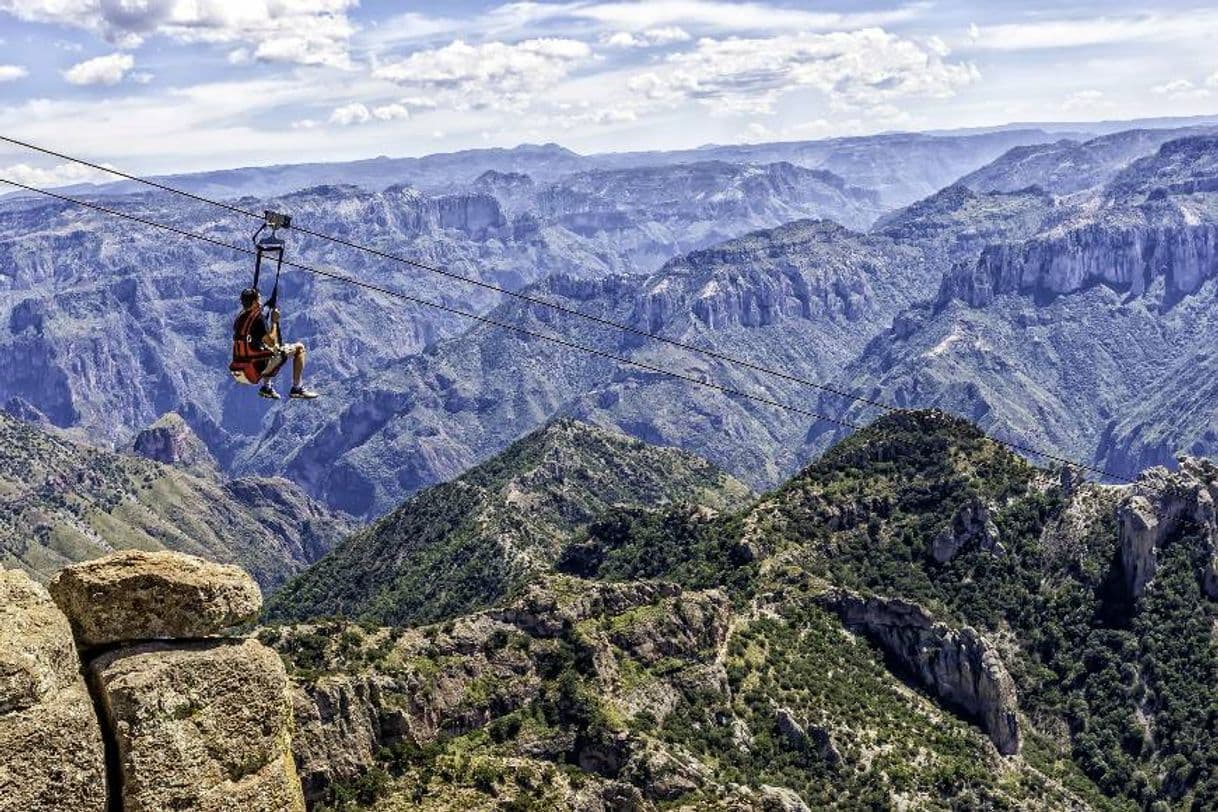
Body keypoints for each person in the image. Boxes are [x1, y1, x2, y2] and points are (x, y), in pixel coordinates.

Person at [233, 288, 319, 400]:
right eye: (259, 299)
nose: (260, 302)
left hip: (241, 371)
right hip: (255, 370)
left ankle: (267, 387)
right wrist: (274, 322)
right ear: (254, 302)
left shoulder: (240, 318)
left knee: (264, 349)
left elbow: (255, 334)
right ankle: (297, 388)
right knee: (299, 348)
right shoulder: (258, 320)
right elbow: (272, 342)